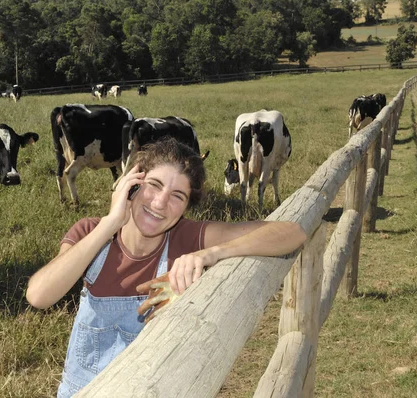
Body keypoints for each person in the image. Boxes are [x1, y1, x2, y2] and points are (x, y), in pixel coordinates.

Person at [26, 138, 307, 397]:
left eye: (177, 196)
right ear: (132, 184)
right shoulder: (90, 231)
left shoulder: (186, 236)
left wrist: (212, 254)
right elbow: (39, 295)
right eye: (155, 185)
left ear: (186, 207)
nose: (160, 203)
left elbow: (292, 233)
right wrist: (110, 223)